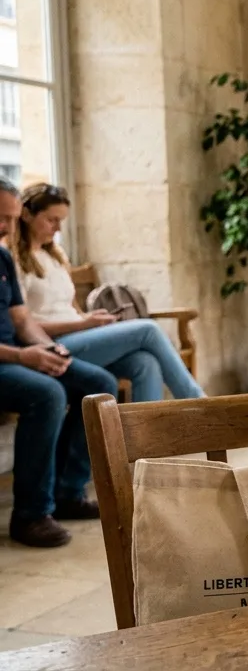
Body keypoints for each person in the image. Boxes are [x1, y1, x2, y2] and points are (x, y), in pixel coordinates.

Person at [0, 178, 119, 548]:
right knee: (48, 393)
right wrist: (23, 355)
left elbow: (22, 321)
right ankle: (31, 515)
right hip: (8, 359)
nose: (7, 227)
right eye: (1, 218)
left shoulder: (2, 258)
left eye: (11, 219)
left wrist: (49, 348)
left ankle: (69, 492)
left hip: (16, 354)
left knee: (99, 385)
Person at [11, 184, 205, 403]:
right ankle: (199, 405)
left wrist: (92, 319)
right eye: (51, 220)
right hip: (51, 345)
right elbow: (23, 325)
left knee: (145, 363)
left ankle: (145, 426)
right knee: (148, 329)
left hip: (78, 336)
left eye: (61, 221)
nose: (58, 228)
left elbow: (71, 310)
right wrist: (82, 325)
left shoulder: (55, 256)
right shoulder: (14, 263)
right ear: (26, 215)